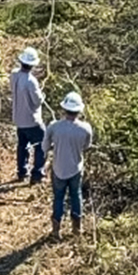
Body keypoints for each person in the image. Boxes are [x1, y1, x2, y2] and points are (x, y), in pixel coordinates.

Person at [42, 91, 92, 240]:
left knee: (58, 198)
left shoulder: (54, 127)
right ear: (79, 111)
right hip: (76, 169)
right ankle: (77, 230)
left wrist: (52, 147)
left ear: (64, 109)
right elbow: (86, 146)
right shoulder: (85, 128)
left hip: (58, 169)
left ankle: (56, 231)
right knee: (76, 196)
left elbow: (45, 146)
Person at [10, 47, 46, 184]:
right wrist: (42, 95)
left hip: (18, 118)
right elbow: (37, 102)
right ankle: (37, 175)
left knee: (22, 146)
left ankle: (22, 172)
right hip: (32, 120)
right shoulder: (31, 81)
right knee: (41, 145)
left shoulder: (14, 75)